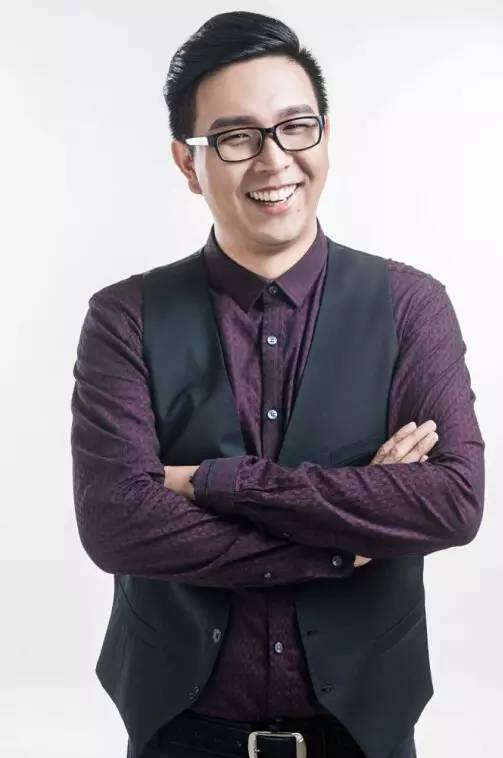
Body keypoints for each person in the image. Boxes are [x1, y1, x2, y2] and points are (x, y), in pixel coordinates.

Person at [70, 11, 485, 758]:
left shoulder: (410, 305)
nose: (274, 160)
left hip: (363, 736)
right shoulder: (124, 316)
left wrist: (212, 482)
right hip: (179, 734)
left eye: (296, 127)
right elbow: (116, 523)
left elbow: (451, 501)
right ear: (187, 162)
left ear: (324, 136)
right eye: (236, 137)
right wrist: (345, 539)